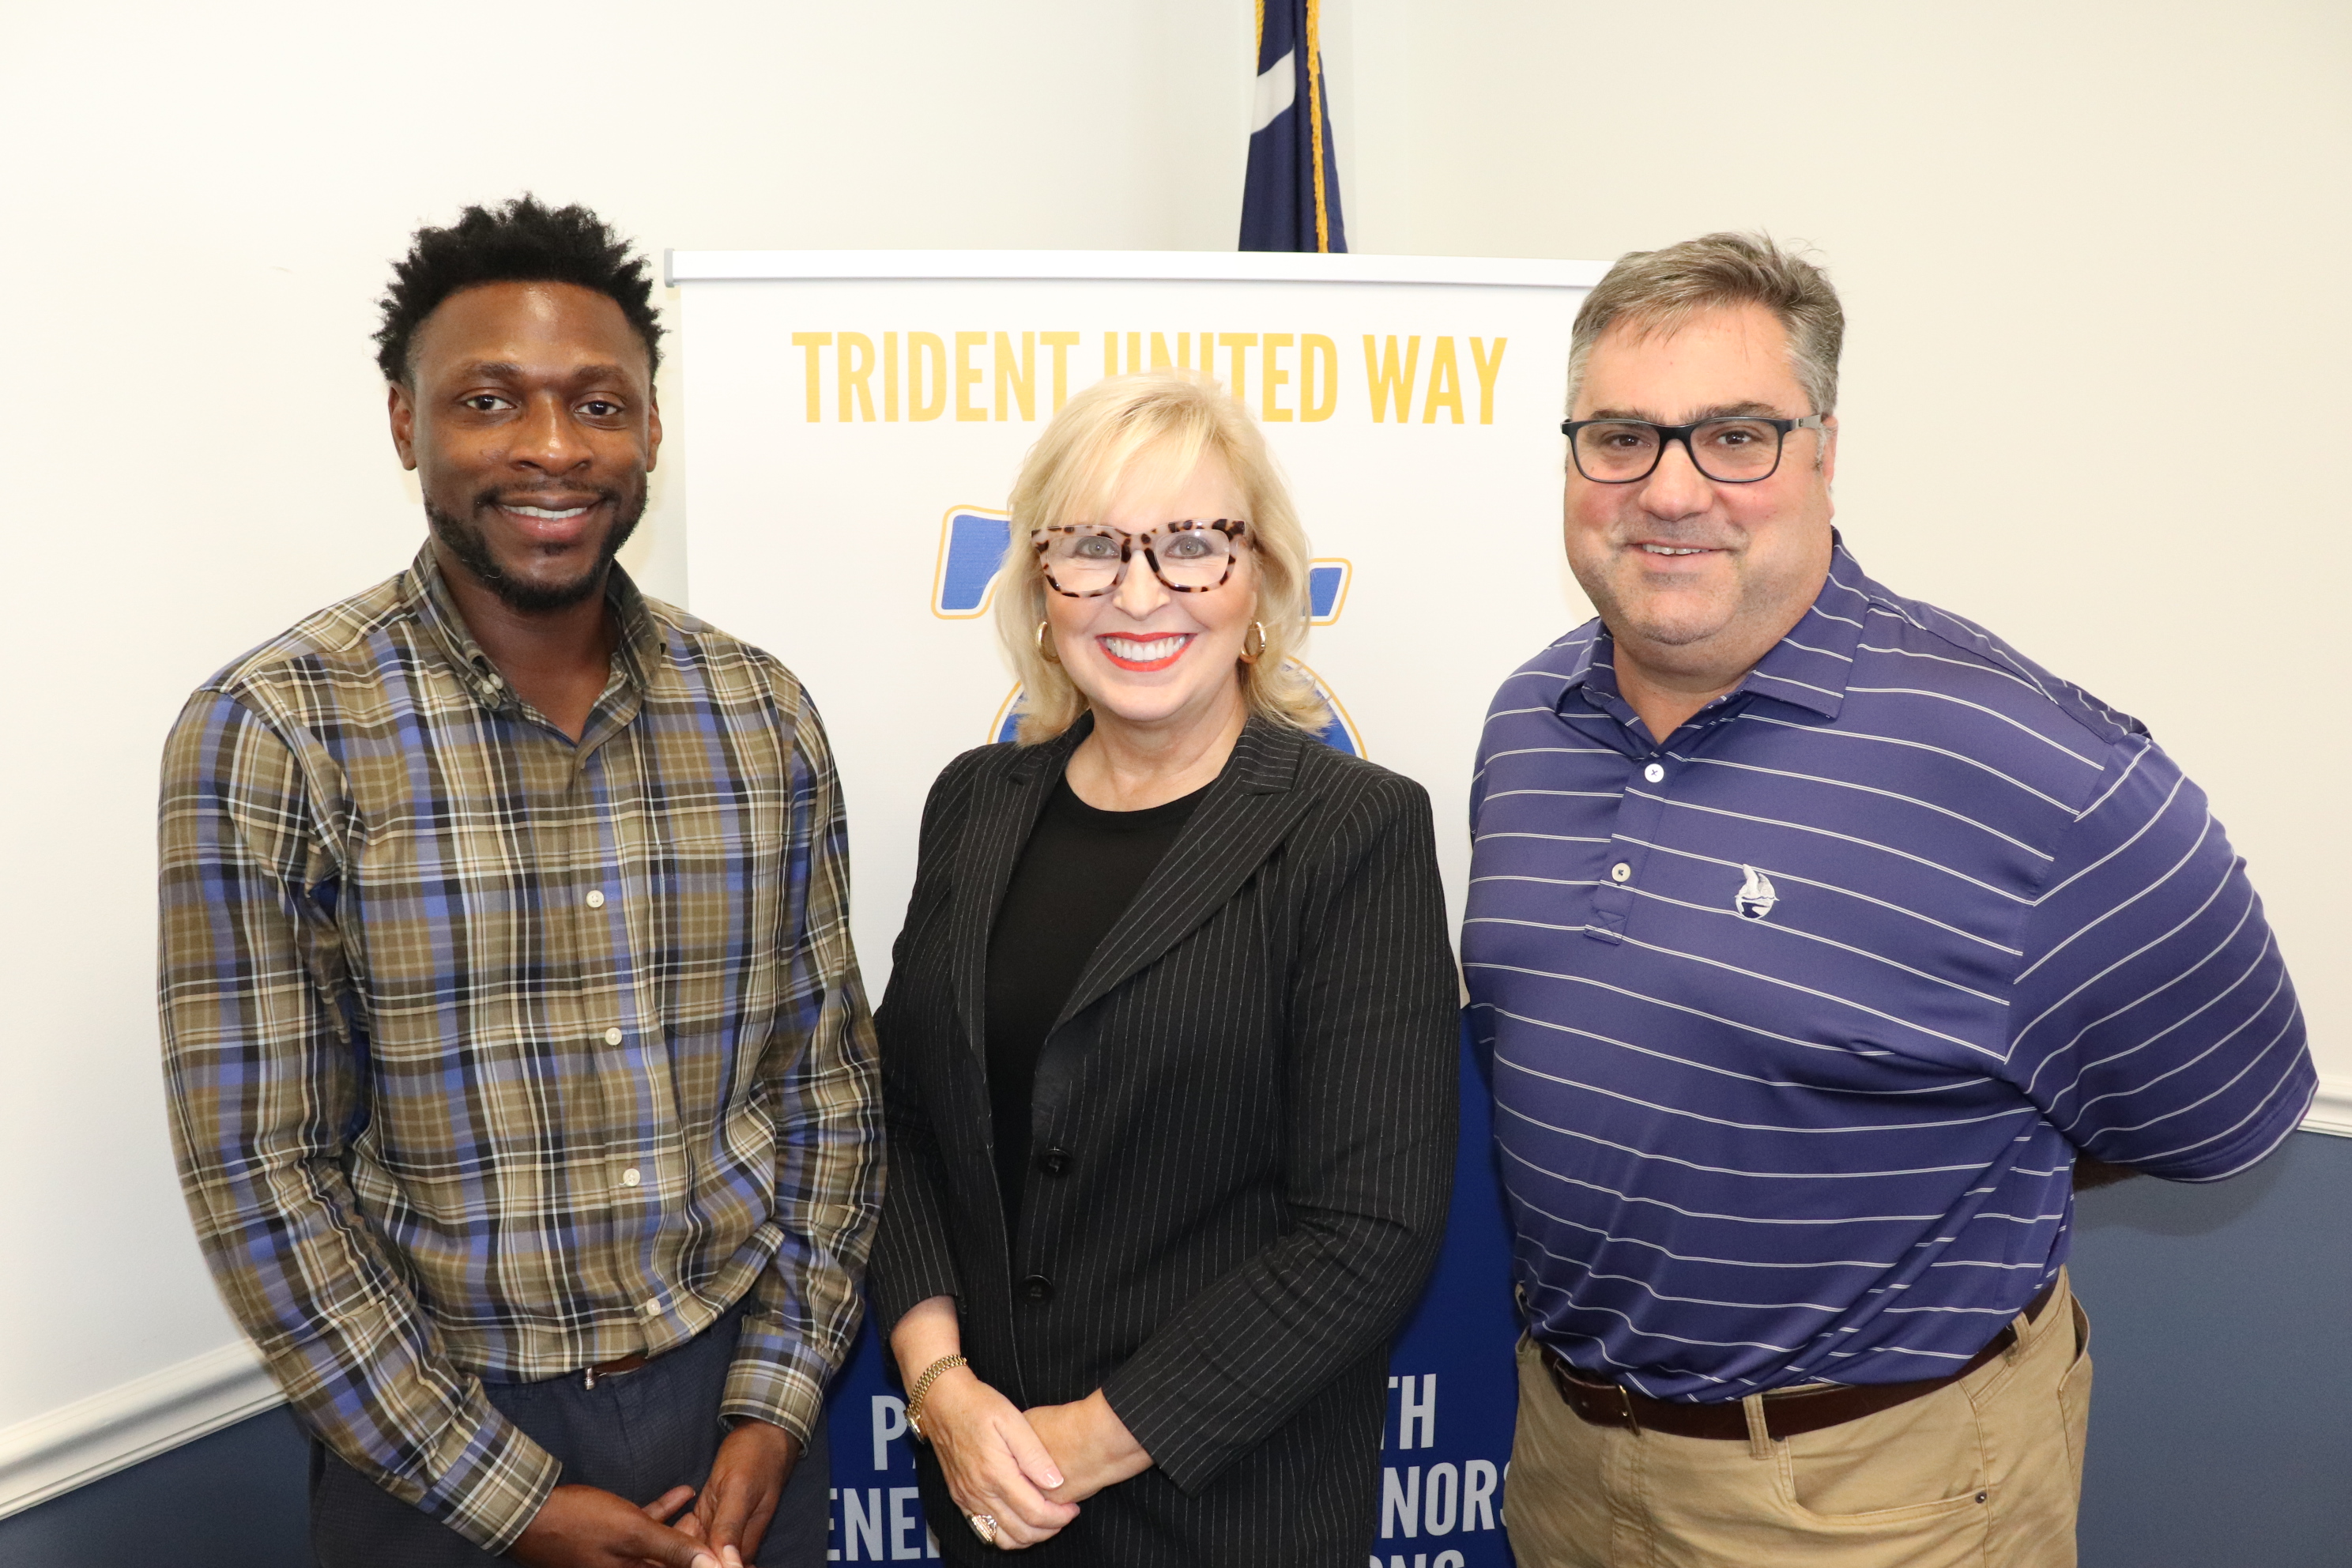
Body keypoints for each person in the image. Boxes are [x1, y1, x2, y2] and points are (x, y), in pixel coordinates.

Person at [1464, 232, 2315, 1568]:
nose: (1670, 489)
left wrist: (1973, 1170)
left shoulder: (2034, 771)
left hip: (1875, 1498)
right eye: (1620, 436)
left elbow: (2215, 1118)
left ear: (1823, 451)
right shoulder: (1528, 722)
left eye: (1735, 436)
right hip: (1566, 1462)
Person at [157, 197, 881, 1568]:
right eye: (491, 401)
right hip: (425, 1447)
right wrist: (507, 1500)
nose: (553, 448)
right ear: (404, 423)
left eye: (598, 404)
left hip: (742, 1423)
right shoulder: (274, 730)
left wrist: (778, 1404)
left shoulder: (762, 713)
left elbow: (825, 1088)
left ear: (652, 428)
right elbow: (261, 1176)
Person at [866, 371, 1460, 1564]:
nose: (1140, 594)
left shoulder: (1353, 831)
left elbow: (1370, 1230)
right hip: (989, 1500)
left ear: (1263, 579)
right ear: (1042, 583)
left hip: (1230, 1512)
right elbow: (902, 1123)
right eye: (1091, 546)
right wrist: (941, 1390)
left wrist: (1078, 1444)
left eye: (1193, 545)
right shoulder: (974, 807)